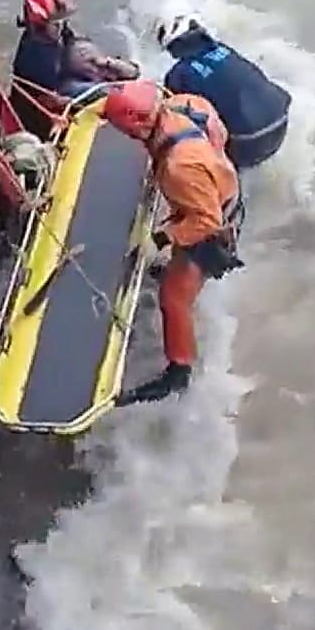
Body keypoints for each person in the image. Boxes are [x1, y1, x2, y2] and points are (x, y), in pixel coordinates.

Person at [98, 79, 243, 405]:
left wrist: (160, 237)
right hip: (220, 184)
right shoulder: (185, 104)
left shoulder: (180, 167)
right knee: (180, 260)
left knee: (173, 297)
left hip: (215, 219)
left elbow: (207, 222)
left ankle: (178, 373)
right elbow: (218, 133)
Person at [156, 14, 291, 169]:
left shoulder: (178, 74)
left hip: (247, 141)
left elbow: (173, 118)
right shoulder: (224, 49)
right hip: (281, 118)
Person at [11, 0, 140, 137]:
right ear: (40, 26)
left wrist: (102, 63)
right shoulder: (34, 57)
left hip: (62, 80)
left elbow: (71, 43)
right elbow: (43, 99)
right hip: (46, 103)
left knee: (119, 80)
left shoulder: (56, 35)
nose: (60, 26)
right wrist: (60, 110)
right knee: (105, 94)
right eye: (55, 23)